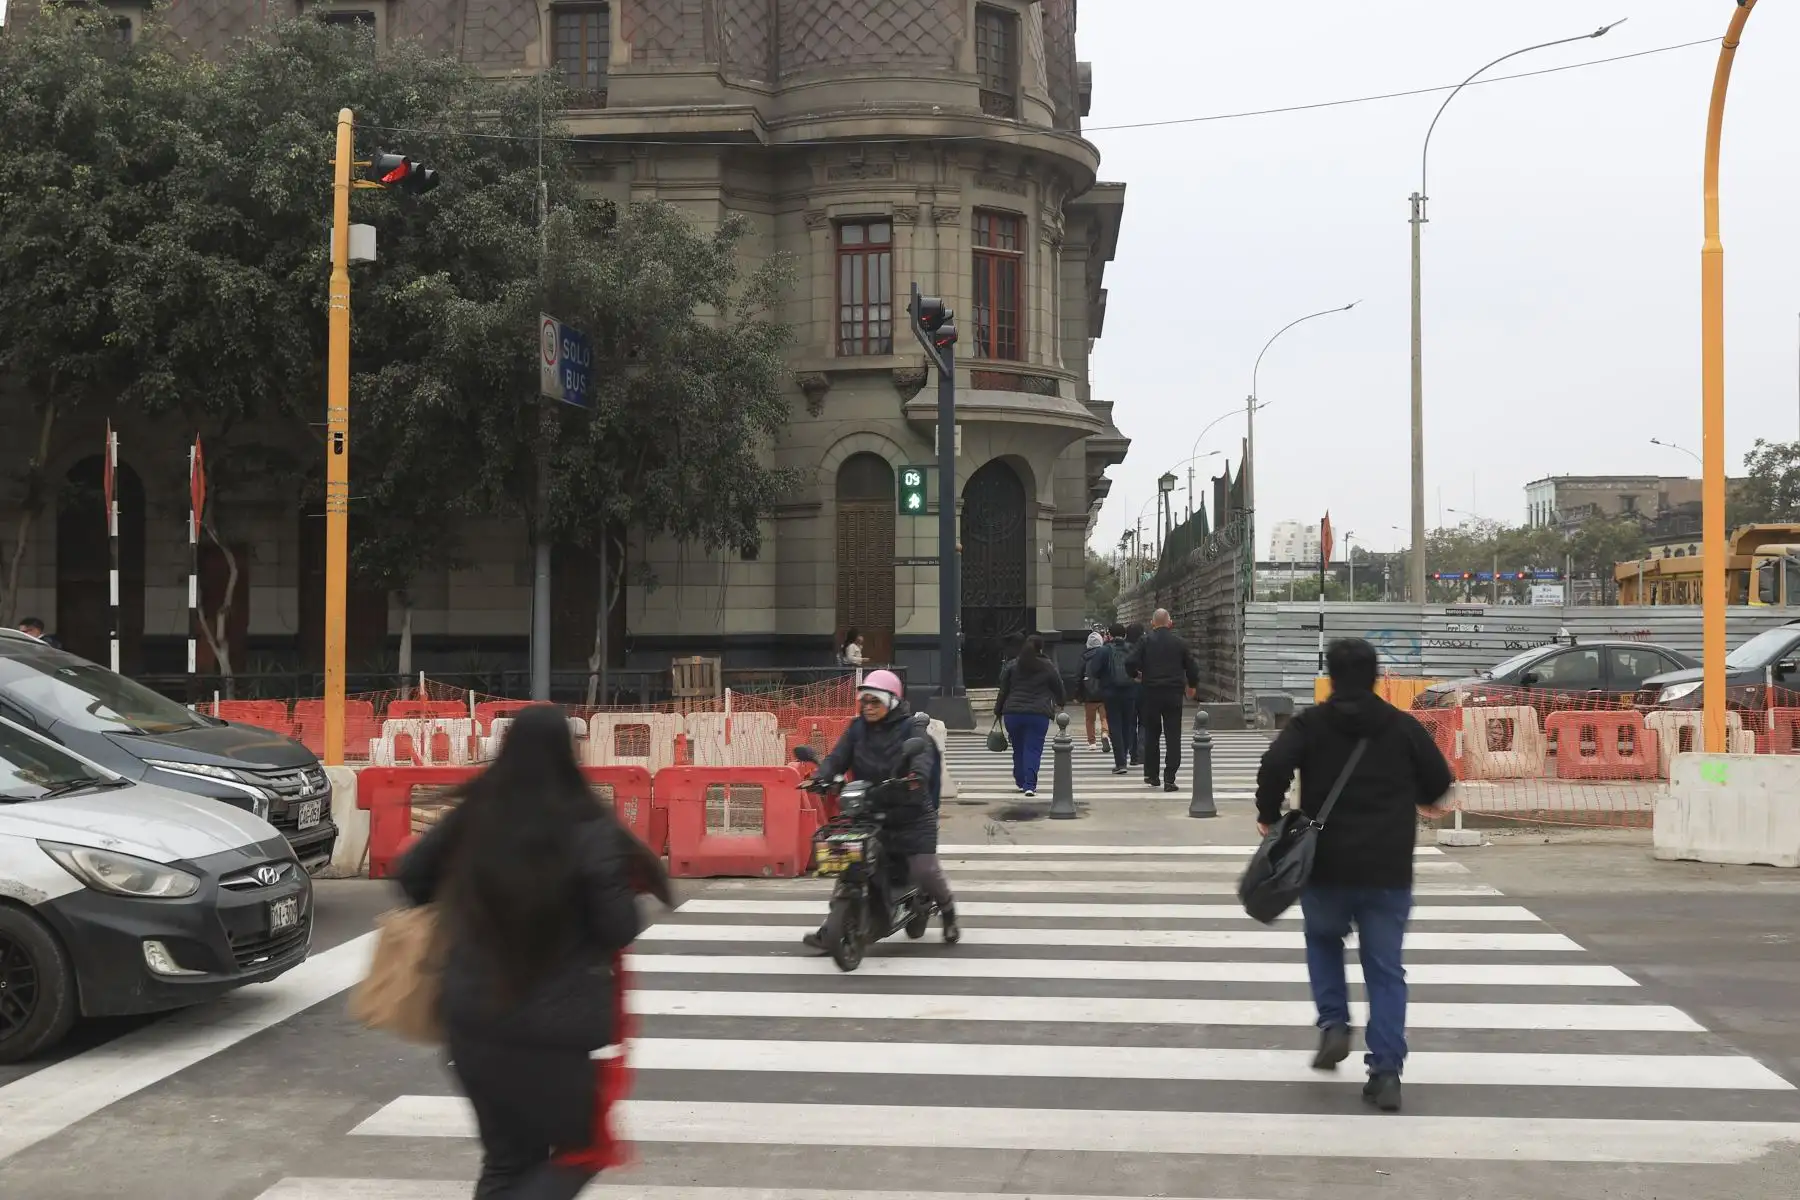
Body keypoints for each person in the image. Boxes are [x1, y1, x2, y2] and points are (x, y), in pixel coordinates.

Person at [394, 704, 668, 1199]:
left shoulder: (477, 815)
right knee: (582, 1149)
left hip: (472, 1025)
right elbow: (617, 927)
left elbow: (413, 877)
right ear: (569, 755)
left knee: (507, 1160)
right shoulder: (589, 827)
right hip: (552, 1036)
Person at [1253, 637, 1453, 1114]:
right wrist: (1421, 797)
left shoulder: (1311, 724)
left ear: (1331, 676)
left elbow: (1274, 762)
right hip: (1388, 869)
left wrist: (1269, 812)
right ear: (1377, 676)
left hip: (1326, 866)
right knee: (1385, 970)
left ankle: (1334, 1024)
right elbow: (1438, 783)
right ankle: (1385, 1072)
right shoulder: (1401, 726)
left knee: (1322, 940)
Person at [803, 669, 958, 945]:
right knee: (851, 862)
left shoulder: (912, 730)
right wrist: (821, 776)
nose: (869, 708)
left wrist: (914, 779)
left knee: (924, 869)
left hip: (910, 812)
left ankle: (947, 910)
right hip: (868, 808)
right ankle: (833, 926)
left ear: (892, 702)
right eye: (865, 702)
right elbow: (837, 758)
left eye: (876, 702)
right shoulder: (856, 729)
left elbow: (921, 756)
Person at [1125, 609, 1197, 792]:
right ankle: (1170, 778)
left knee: (1152, 734)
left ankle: (1152, 775)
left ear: (1152, 623)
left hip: (1151, 693)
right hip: (1173, 694)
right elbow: (1191, 666)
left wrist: (1135, 674)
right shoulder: (1179, 643)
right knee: (1173, 736)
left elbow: (1129, 661)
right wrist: (1192, 685)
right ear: (1170, 623)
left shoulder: (1145, 641)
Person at [994, 634, 1065, 798]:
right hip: (1038, 714)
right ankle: (1029, 785)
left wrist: (998, 709)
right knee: (1033, 748)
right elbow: (1058, 686)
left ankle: (1020, 781)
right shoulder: (1047, 666)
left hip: (1013, 713)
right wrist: (1061, 702)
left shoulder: (1013, 665)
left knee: (1018, 748)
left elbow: (1003, 689)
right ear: (1041, 648)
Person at [1098, 622, 1136, 776]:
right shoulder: (1132, 649)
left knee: (1115, 725)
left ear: (1109, 635)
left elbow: (1094, 670)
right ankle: (1125, 755)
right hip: (1130, 691)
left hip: (1111, 692)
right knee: (1128, 724)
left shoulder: (1104, 650)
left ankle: (1120, 762)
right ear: (1125, 634)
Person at [1078, 630, 1112, 754]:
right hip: (1104, 692)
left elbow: (1079, 676)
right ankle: (1104, 733)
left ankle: (1092, 742)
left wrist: (1078, 694)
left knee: (1089, 719)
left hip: (1089, 693)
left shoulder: (1084, 657)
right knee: (1104, 717)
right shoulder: (1106, 655)